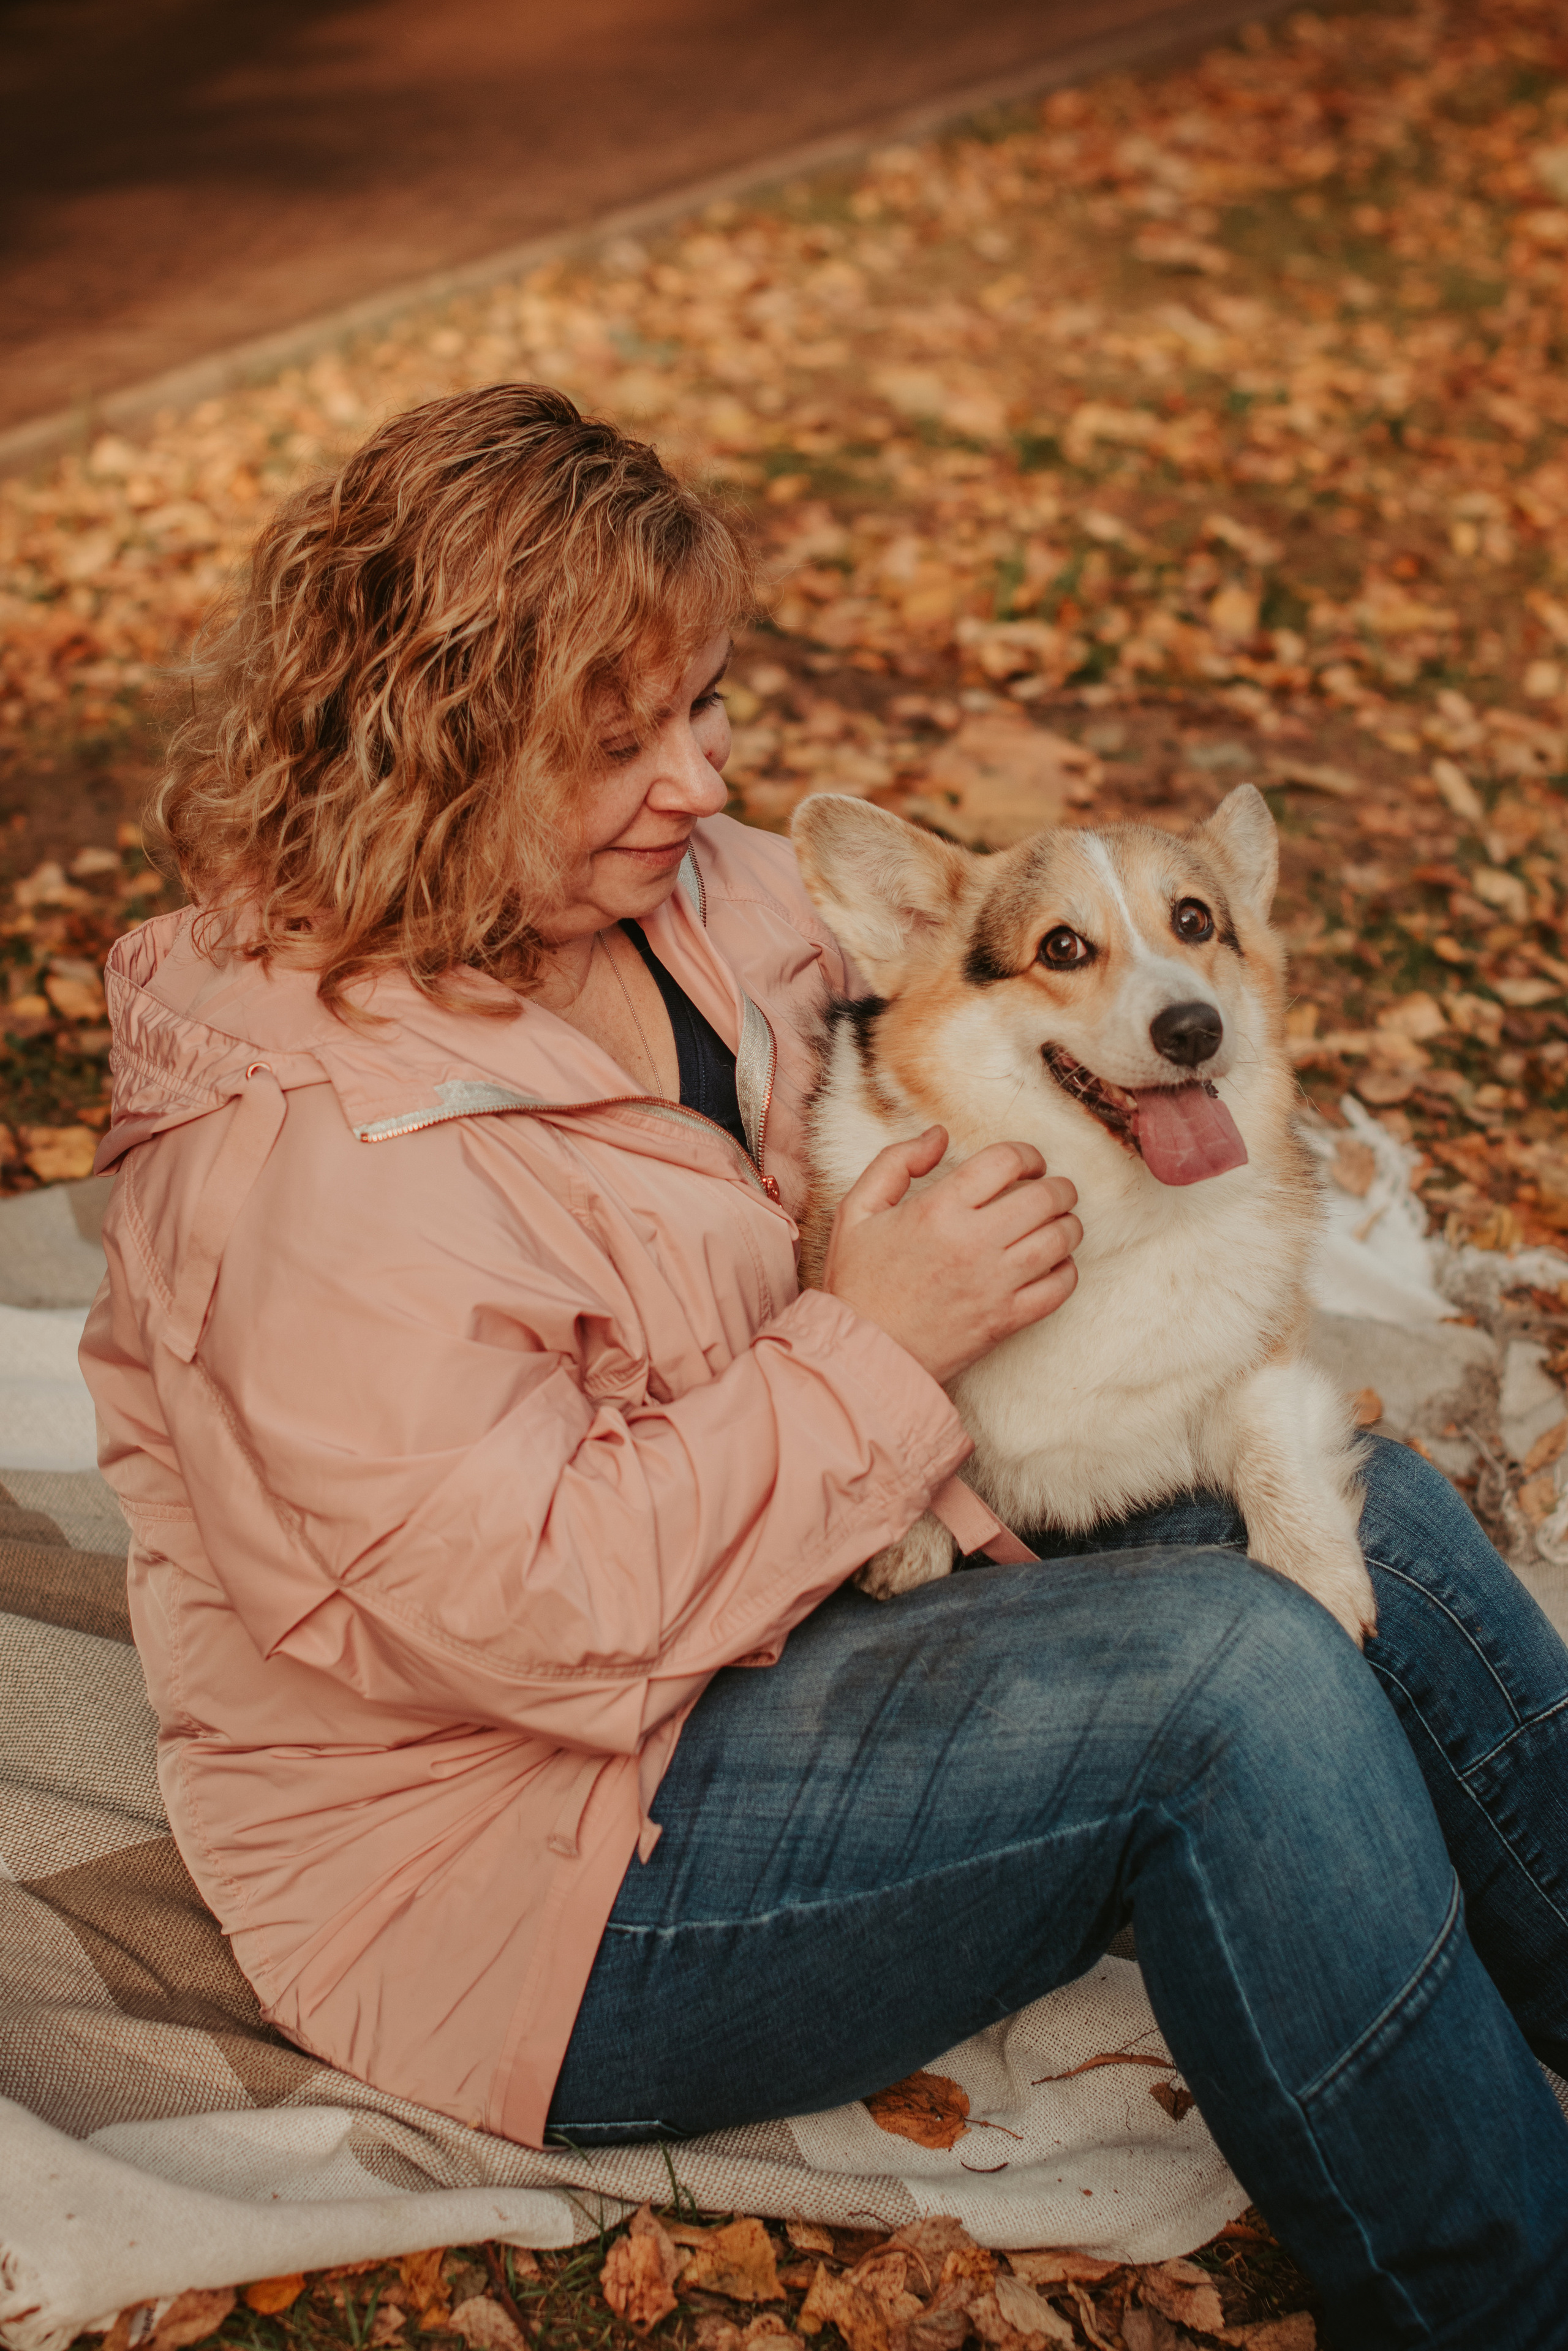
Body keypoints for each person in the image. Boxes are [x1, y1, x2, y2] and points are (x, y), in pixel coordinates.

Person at [81, 385, 1568, 2350]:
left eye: (703, 707)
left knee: (1357, 1506)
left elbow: (977, 978)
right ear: (428, 755)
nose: (701, 783)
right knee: (1241, 1682)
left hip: (784, 1608)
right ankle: (1510, 2302)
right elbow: (532, 1615)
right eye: (616, 743)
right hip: (533, 1872)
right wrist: (879, 1344)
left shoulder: (683, 892)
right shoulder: (302, 1162)